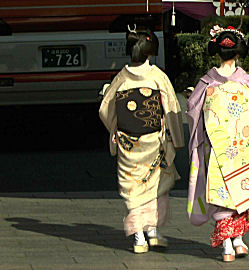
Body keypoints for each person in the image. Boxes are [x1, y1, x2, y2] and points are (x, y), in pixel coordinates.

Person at [186, 25, 249, 262]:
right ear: (239, 53)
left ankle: (227, 243)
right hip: (244, 146)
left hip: (216, 147)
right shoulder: (246, 82)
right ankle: (238, 241)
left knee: (220, 191)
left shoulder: (207, 83)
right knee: (242, 189)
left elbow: (193, 112)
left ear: (217, 52)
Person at [99, 25, 184, 254]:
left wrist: (115, 129)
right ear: (151, 50)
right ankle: (153, 230)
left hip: (129, 143)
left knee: (131, 189)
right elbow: (172, 108)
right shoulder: (158, 76)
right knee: (158, 185)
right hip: (154, 141)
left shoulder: (121, 78)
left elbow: (105, 108)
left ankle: (138, 237)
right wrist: (176, 138)